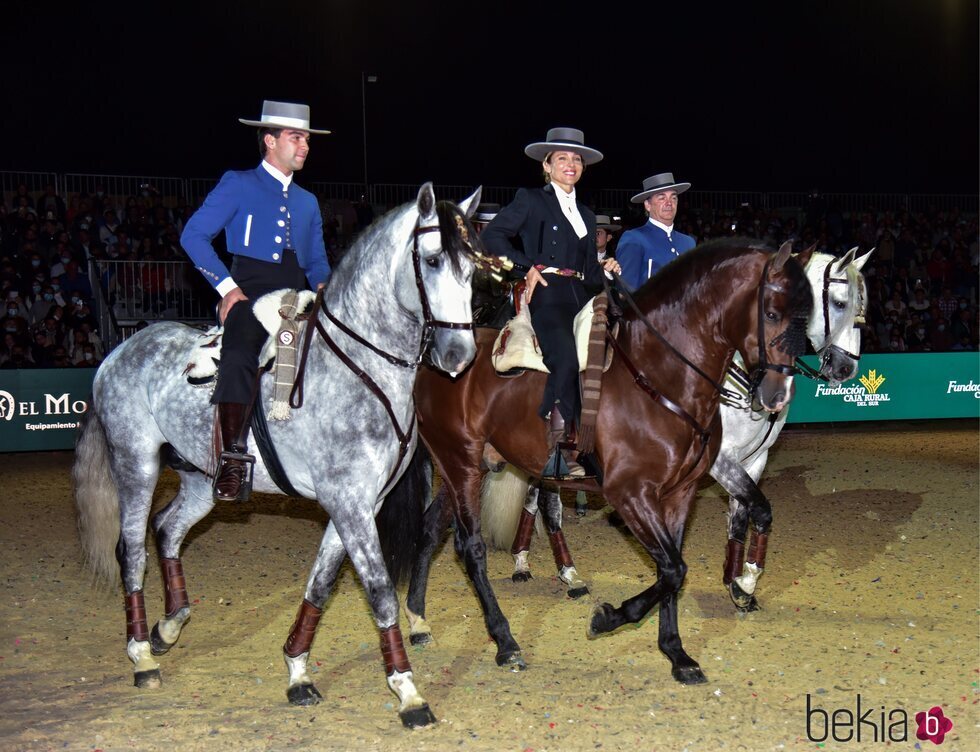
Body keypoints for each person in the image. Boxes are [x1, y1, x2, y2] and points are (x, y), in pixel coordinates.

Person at [181, 100, 332, 502]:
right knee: (239, 350)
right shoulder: (239, 183)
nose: (304, 146)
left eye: (306, 139)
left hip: (296, 293)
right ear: (270, 141)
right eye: (295, 137)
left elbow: (316, 261)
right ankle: (232, 458)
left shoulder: (307, 202)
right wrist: (228, 289)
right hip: (249, 288)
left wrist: (324, 290)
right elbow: (192, 236)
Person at [481, 127, 620, 478]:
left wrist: (604, 267)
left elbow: (587, 268)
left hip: (580, 294)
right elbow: (491, 236)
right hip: (547, 294)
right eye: (562, 159)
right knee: (565, 354)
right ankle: (559, 446)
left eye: (576, 159)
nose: (570, 164)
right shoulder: (531, 199)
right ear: (547, 165)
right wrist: (527, 268)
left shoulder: (588, 215)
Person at [616, 172, 697, 291]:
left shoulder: (688, 242)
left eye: (673, 198)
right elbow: (626, 292)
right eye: (662, 198)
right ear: (647, 205)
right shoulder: (634, 238)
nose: (669, 203)